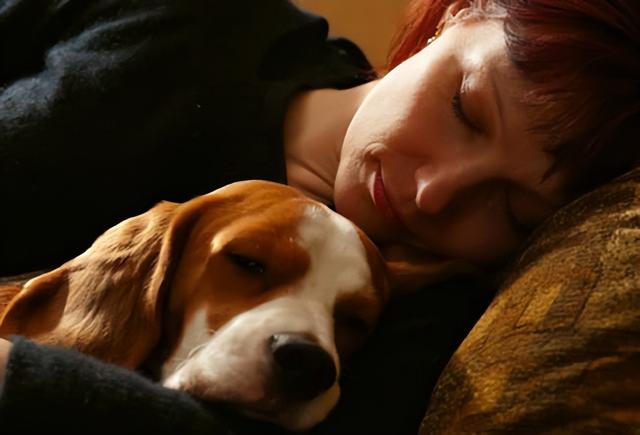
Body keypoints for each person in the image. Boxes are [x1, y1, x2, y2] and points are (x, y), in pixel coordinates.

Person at [0, 0, 638, 433]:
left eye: (513, 208)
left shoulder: (425, 319)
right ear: (455, 14)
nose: (434, 193)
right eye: (466, 109)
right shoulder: (197, 19)